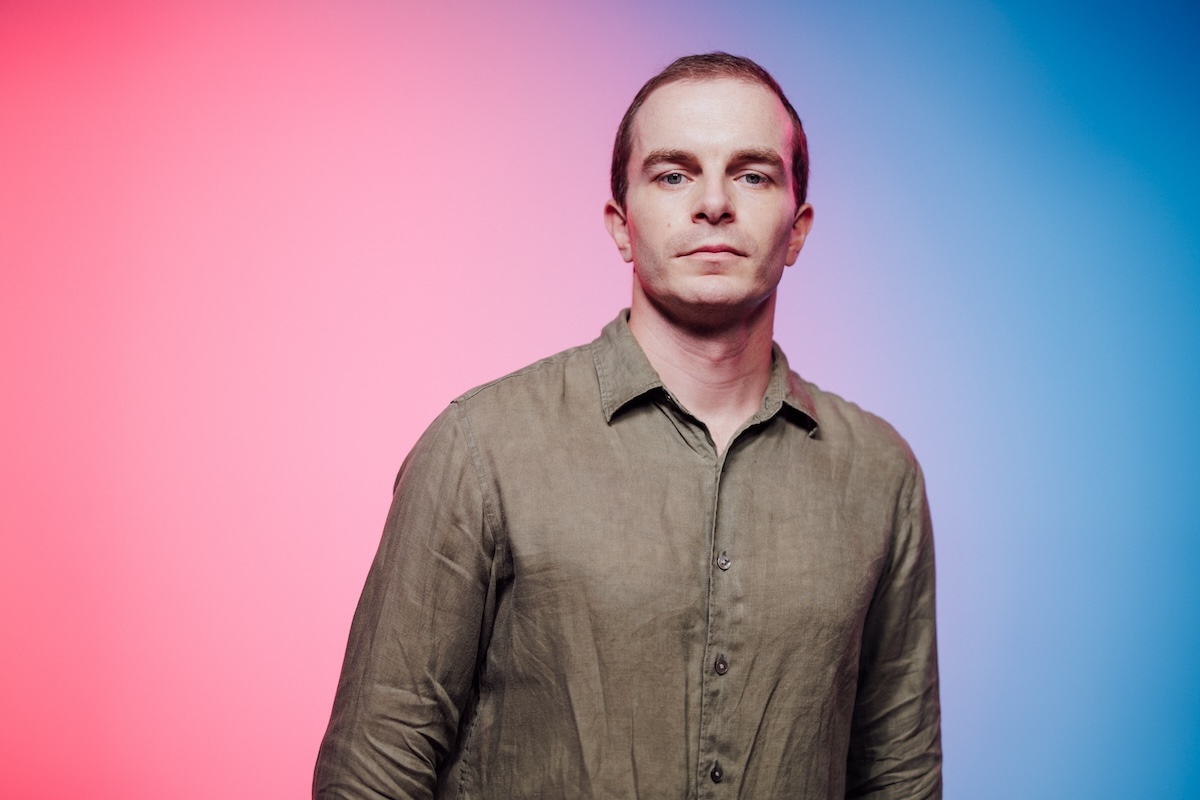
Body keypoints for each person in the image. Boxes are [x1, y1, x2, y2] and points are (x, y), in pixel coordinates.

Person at [314, 52, 941, 799]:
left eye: (752, 175)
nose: (713, 203)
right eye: (674, 175)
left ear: (797, 229)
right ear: (621, 226)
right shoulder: (482, 449)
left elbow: (899, 776)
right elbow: (373, 771)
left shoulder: (877, 474)